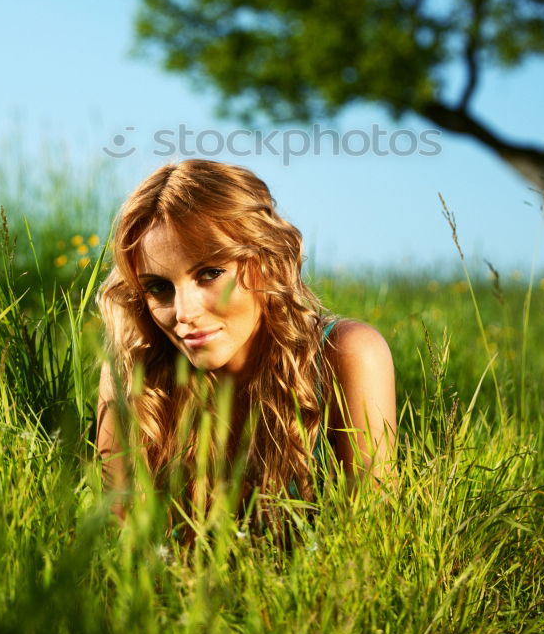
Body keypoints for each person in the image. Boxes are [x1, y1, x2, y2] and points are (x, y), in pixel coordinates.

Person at [96, 159, 396, 531]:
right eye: (159, 287)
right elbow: (121, 545)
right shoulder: (133, 375)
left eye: (209, 273)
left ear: (266, 260)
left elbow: (375, 537)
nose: (185, 312)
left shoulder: (346, 354)